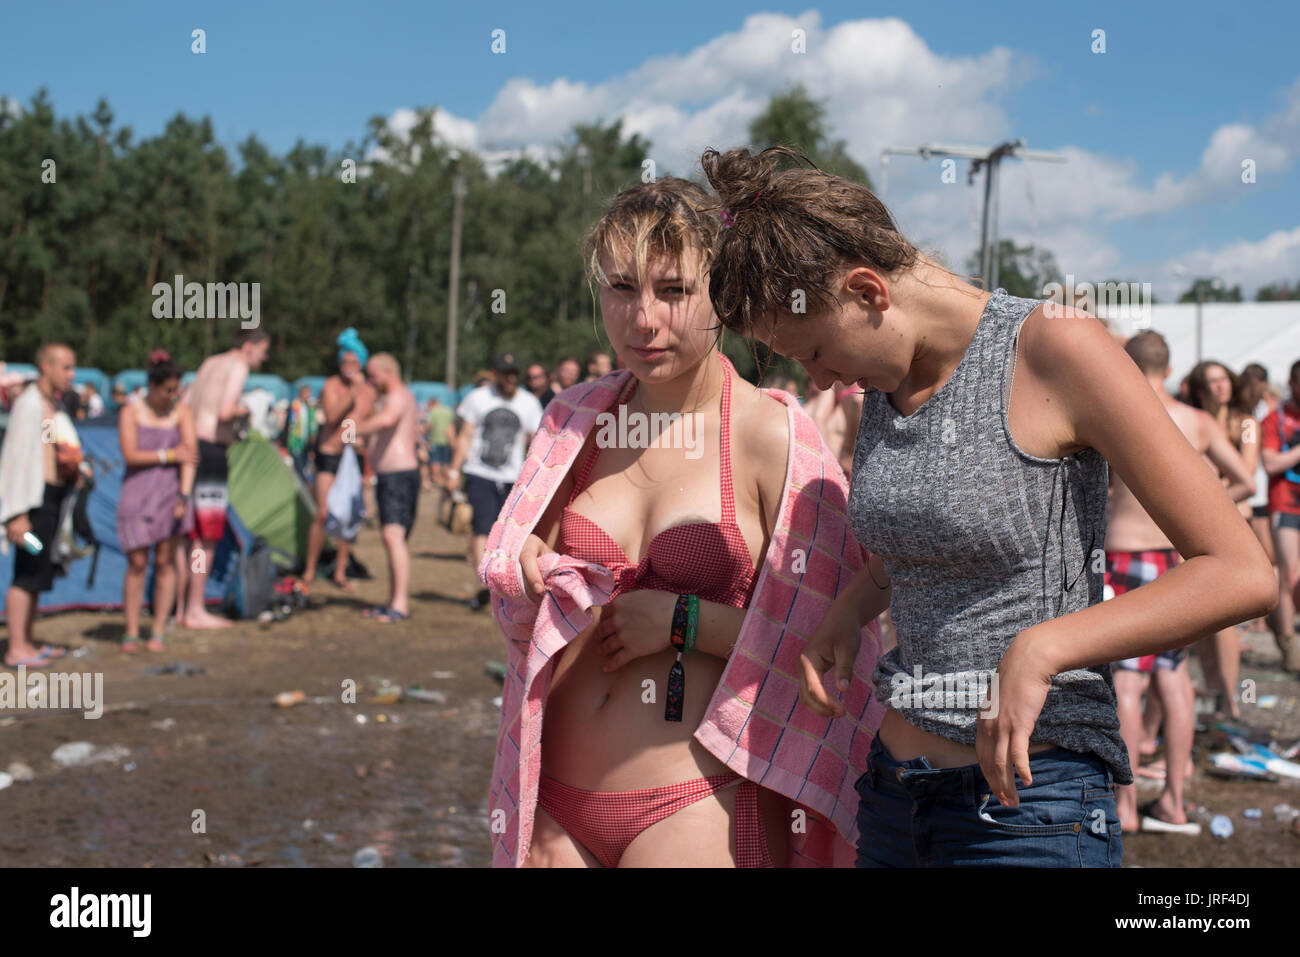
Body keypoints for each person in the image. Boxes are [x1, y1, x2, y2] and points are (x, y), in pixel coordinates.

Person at [699, 145, 1275, 867]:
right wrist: (846, 613)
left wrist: (1045, 646)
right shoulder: (883, 378)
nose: (821, 377)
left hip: (1028, 802)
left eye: (814, 350)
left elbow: (1241, 571)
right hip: (893, 794)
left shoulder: (1052, 347)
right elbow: (922, 545)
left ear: (870, 291)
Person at [479, 178, 882, 868]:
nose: (643, 320)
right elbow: (515, 587)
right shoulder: (574, 420)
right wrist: (526, 568)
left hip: (693, 799)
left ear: (721, 293)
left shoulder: (773, 435)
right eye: (622, 288)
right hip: (553, 800)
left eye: (673, 291)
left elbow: (841, 652)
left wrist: (686, 621)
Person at [1105, 335, 1253, 834]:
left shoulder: (1116, 409)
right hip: (1177, 556)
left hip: (1125, 552)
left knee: (1127, 681)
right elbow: (1248, 481)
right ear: (1169, 369)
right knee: (1174, 679)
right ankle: (1174, 800)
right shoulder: (1199, 421)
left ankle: (1124, 808)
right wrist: (1203, 511)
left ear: (1129, 364)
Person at [178, 327, 269, 629]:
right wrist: (250, 409)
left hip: (191, 448)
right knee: (206, 538)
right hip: (213, 452)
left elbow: (186, 404)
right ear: (249, 347)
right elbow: (225, 410)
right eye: (263, 350)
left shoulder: (209, 362)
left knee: (186, 536)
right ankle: (195, 609)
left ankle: (178, 609)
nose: (264, 357)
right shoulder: (238, 365)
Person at [1185, 359, 1259, 716]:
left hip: (1232, 523)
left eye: (1224, 379)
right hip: (1199, 526)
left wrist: (1206, 503)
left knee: (1225, 618)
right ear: (1201, 388)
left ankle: (1231, 702)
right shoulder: (1194, 421)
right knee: (1201, 620)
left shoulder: (1246, 424)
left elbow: (1248, 473)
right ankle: (1213, 695)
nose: (1220, 386)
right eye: (1212, 381)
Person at [0, 343, 78, 667]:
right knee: (26, 570)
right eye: (66, 367)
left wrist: (70, 465)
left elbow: (45, 449)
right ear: (46, 366)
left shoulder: (49, 405)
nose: (71, 375)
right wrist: (15, 515)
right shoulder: (29, 405)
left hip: (48, 500)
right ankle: (16, 647)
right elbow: (14, 459)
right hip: (29, 508)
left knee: (39, 570)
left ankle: (28, 642)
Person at [116, 351, 198, 653]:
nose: (172, 395)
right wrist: (168, 455)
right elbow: (130, 454)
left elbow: (189, 457)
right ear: (152, 385)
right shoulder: (131, 413)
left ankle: (159, 628)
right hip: (137, 495)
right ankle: (131, 629)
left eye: (176, 389)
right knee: (137, 562)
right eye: (168, 389)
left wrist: (184, 495)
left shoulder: (182, 413)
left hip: (170, 495)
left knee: (165, 562)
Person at [449, 352, 542, 610]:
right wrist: (454, 471)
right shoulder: (478, 399)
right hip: (480, 473)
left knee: (508, 535)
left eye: (514, 374)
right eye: (505, 374)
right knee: (482, 528)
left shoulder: (528, 403)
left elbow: (535, 442)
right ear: (495, 374)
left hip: (513, 477)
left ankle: (501, 584)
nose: (511, 379)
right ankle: (485, 585)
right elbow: (466, 436)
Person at [301, 329, 376, 594]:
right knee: (323, 513)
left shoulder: (369, 392)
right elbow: (331, 416)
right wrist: (351, 393)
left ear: (361, 364)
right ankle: (309, 570)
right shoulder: (332, 386)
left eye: (353, 364)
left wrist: (362, 442)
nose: (348, 368)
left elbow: (367, 422)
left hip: (352, 456)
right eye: (344, 363)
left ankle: (340, 571)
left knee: (350, 516)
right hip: (329, 453)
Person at [353, 353, 419, 622]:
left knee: (393, 538)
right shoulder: (393, 397)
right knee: (392, 539)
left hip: (399, 477)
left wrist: (356, 428)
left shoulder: (398, 396)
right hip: (393, 478)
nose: (371, 380)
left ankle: (399, 605)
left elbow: (386, 421)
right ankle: (394, 600)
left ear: (387, 372)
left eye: (373, 375)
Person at [1261, 359, 1300, 674]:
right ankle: (1289, 644)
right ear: (1292, 384)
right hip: (1286, 503)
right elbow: (1271, 463)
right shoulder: (1276, 419)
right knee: (1288, 574)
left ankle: (1282, 624)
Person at [286, 384, 318, 483]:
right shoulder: (294, 406)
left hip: (306, 441)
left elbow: (313, 425)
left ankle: (301, 484)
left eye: (309, 393)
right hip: (295, 441)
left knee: (304, 465)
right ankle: (300, 487)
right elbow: (288, 424)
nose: (308, 395)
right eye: (306, 393)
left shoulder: (310, 407)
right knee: (299, 466)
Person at [424, 397, 454, 492]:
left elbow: (429, 426)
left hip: (434, 440)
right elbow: (451, 425)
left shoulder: (432, 411)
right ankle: (446, 480)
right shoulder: (448, 410)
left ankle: (437, 481)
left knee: (434, 461)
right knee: (446, 462)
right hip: (447, 440)